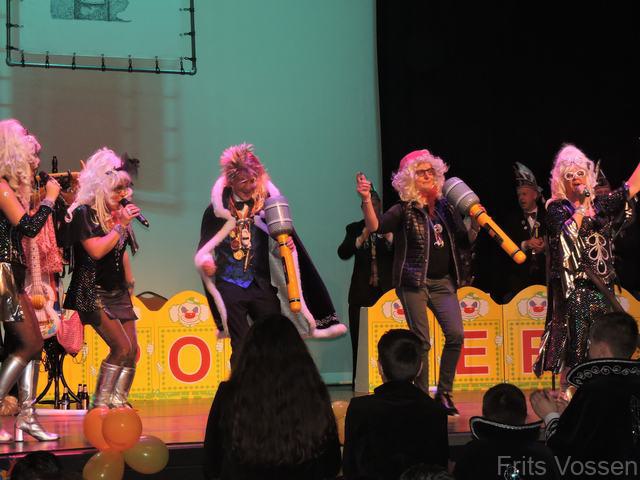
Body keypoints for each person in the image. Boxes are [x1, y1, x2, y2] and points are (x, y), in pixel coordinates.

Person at [195, 144, 345, 364]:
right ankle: (242, 383)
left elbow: (277, 244)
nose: (249, 186)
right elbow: (205, 248)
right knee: (241, 342)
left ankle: (273, 381)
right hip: (230, 285)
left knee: (274, 336)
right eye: (243, 181)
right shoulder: (217, 211)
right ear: (231, 181)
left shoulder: (266, 207)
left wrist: (286, 246)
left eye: (253, 180)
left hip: (261, 284)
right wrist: (206, 262)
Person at [356, 148, 475, 415]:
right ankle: (421, 396)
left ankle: (444, 393)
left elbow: (464, 239)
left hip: (443, 283)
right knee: (422, 341)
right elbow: (376, 227)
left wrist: (476, 223)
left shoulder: (445, 208)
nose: (427, 176)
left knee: (456, 335)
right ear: (409, 178)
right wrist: (366, 200)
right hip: (413, 282)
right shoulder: (403, 210)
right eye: (420, 172)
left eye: (430, 171)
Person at [534, 144, 640, 380]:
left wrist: (590, 204)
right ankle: (572, 393)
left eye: (580, 173)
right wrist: (582, 207)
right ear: (561, 182)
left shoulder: (600, 205)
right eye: (569, 175)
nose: (575, 178)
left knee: (604, 345)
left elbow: (630, 188)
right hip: (576, 289)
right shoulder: (557, 209)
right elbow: (566, 236)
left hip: (603, 287)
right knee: (578, 348)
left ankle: (602, 390)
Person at [202, 313, 341, 480]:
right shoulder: (314, 393)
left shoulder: (228, 393)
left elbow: (211, 463)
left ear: (248, 353)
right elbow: (331, 463)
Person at [62, 148, 140, 409]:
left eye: (126, 188)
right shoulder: (84, 213)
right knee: (120, 348)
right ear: (101, 187)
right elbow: (96, 250)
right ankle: (100, 405)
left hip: (117, 290)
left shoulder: (116, 215)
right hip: (92, 290)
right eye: (117, 189)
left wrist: (129, 281)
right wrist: (120, 226)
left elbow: (121, 251)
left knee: (132, 350)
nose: (123, 194)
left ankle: (119, 400)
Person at [0, 119, 61, 442]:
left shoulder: (7, 188)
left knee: (34, 342)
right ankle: (24, 414)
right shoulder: (0, 187)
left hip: (12, 270)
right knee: (30, 343)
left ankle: (27, 416)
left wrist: (47, 197)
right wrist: (49, 199)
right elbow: (28, 227)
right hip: (3, 271)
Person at [531, 312, 640, 478]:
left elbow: (567, 456)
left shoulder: (595, 390)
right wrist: (569, 416)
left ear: (602, 350)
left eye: (589, 344)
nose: (587, 351)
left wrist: (550, 416)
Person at [343, 329, 449, 480]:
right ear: (420, 368)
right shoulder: (435, 410)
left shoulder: (360, 408)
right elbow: (439, 467)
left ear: (380, 367)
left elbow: (350, 467)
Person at [338, 188, 393, 385]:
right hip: (361, 293)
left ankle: (390, 380)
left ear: (379, 205)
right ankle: (359, 381)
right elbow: (343, 253)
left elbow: (402, 252)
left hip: (387, 294)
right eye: (367, 204)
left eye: (375, 204)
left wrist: (389, 237)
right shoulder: (354, 228)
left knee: (389, 339)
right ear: (363, 207)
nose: (372, 207)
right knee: (359, 339)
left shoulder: (391, 226)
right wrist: (361, 237)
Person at [454, 383, 558, 480]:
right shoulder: (542, 455)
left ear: (484, 416)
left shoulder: (471, 454)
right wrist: (552, 417)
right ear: (525, 417)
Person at [498, 162, 547, 302]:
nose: (521, 198)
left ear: (535, 195)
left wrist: (546, 246)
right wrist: (526, 244)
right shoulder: (511, 219)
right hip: (520, 282)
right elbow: (504, 247)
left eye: (524, 194)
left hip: (545, 279)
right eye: (519, 195)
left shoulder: (548, 216)